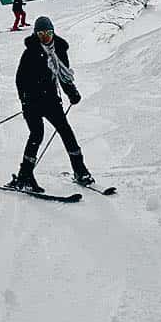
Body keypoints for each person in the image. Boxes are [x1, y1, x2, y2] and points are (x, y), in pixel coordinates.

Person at [9, 15, 94, 190]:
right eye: (41, 34)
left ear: (53, 32)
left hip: (50, 100)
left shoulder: (60, 51)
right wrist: (24, 100)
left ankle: (80, 171)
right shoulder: (30, 52)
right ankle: (24, 176)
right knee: (37, 134)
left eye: (48, 33)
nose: (45, 37)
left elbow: (63, 77)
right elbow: (20, 79)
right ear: (36, 34)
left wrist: (72, 93)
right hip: (32, 102)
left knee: (67, 132)